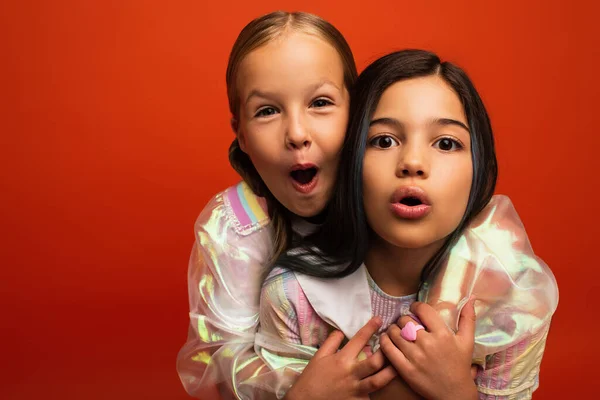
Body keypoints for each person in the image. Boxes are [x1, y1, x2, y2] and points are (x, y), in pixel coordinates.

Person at [258, 49, 559, 399]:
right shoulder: (294, 296)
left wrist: (456, 394)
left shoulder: (512, 300)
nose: (413, 162)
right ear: (349, 158)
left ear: (480, 168)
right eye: (384, 140)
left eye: (446, 143)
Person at [177, 11, 396, 399]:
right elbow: (219, 356)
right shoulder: (236, 225)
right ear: (241, 134)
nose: (296, 134)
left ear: (357, 110)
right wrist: (304, 388)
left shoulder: (393, 190)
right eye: (267, 111)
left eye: (321, 102)